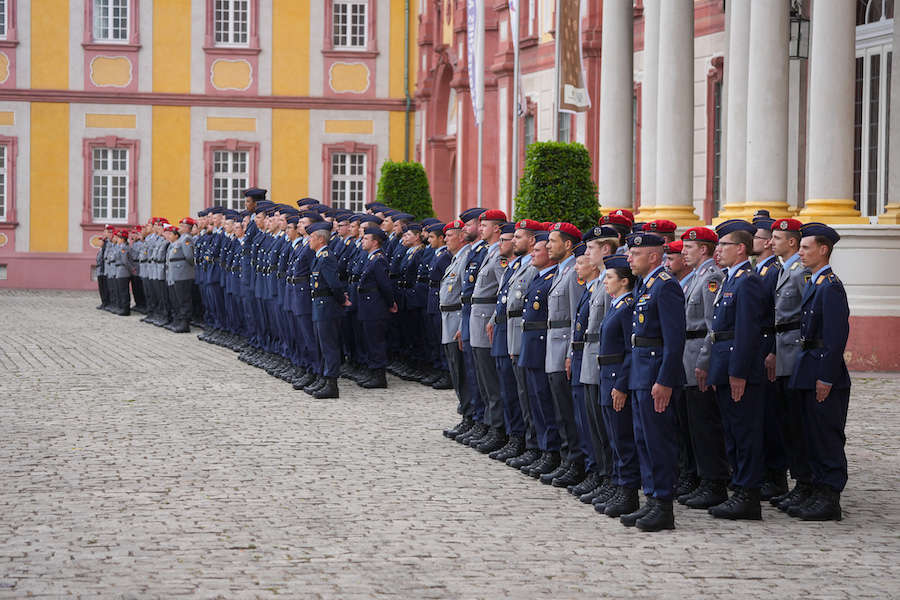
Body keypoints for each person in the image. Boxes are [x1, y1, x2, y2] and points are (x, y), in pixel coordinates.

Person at [621, 231, 686, 532]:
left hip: (655, 376)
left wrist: (665, 379)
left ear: (654, 257)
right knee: (643, 440)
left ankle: (663, 505)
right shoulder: (644, 286)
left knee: (658, 440)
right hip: (640, 373)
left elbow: (674, 341)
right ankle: (651, 499)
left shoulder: (665, 286)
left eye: (636, 254)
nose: (630, 258)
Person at [787, 222, 850, 521]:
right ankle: (814, 489)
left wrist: (826, 376)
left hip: (823, 369)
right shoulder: (815, 282)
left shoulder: (831, 287)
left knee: (826, 435)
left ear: (823, 250)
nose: (800, 252)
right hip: (807, 365)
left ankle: (829, 496)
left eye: (805, 247)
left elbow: (836, 339)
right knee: (809, 433)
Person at [706, 219, 767, 520]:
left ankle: (748, 495)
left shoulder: (748, 281)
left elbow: (747, 331)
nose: (718, 250)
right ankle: (739, 490)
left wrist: (738, 372)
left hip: (738, 369)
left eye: (723, 245)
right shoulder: (730, 279)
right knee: (732, 431)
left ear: (741, 249)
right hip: (724, 365)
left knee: (744, 433)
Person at [767, 218, 815, 513]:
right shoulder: (785, 269)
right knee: (787, 423)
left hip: (794, 352)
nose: (771, 243)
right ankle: (797, 482)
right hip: (781, 351)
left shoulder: (801, 273)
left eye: (776, 238)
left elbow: (806, 316)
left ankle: (805, 483)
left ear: (792, 243)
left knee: (799, 423)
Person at [595, 254, 641, 518]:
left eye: (610, 277)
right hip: (607, 375)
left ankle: (628, 492)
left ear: (624, 281)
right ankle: (617, 484)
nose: (605, 282)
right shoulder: (616, 305)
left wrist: (622, 384)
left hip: (617, 378)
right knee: (612, 436)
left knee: (623, 438)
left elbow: (629, 350)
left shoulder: (627, 308)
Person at [542, 222, 587, 487]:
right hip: (552, 344)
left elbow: (575, 318)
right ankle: (566, 458)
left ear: (568, 245)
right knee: (559, 408)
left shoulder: (573, 273)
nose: (548, 245)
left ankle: (576, 461)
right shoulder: (562, 271)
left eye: (553, 241)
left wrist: (571, 351)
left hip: (563, 347)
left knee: (568, 411)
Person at [517, 232, 563, 478]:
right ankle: (540, 447)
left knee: (545, 402)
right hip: (531, 344)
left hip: (543, 344)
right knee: (534, 400)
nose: (533, 252)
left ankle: (550, 451)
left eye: (538, 249)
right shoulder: (538, 278)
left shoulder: (552, 279)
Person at [499, 220, 541, 468]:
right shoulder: (518, 266)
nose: (514, 241)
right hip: (513, 330)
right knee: (518, 391)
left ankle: (531, 443)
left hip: (525, 333)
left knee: (528, 394)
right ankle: (523, 440)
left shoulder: (532, 268)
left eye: (519, 237)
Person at [467, 209, 509, 453]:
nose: (480, 229)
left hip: (486, 316)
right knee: (481, 376)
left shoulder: (499, 256)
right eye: (480, 225)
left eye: (485, 225)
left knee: (490, 379)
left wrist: (494, 318)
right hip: (478, 314)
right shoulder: (488, 252)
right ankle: (485, 423)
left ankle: (496, 428)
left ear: (497, 228)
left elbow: (504, 288)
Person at [753, 211, 788, 500]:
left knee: (773, 415)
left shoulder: (773, 271)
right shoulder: (760, 270)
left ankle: (775, 475)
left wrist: (774, 349)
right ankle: (766, 472)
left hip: (768, 343)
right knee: (762, 413)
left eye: (759, 237)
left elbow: (778, 314)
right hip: (760, 343)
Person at [440, 220, 477, 439]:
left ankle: (469, 415)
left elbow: (467, 295)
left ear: (461, 236)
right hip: (449, 318)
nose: (445, 239)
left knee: (463, 372)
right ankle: (466, 412)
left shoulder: (466, 258)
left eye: (450, 235)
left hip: (457, 318)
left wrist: (464, 324)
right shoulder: (457, 258)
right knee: (456, 370)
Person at [307, 221, 347, 399]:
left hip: (327, 307)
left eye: (312, 237)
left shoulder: (326, 257)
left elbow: (334, 285)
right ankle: (324, 379)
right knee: (322, 345)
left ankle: (332, 384)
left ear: (321, 240)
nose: (309, 240)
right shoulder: (319, 256)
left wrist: (342, 301)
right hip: (320, 306)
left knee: (329, 346)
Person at [353, 226, 397, 388]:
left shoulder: (379, 259)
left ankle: (379, 377)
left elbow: (385, 286)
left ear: (375, 242)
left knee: (376, 342)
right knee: (369, 340)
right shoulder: (371, 258)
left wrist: (390, 303)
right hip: (368, 305)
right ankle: (373, 372)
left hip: (375, 306)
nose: (362, 240)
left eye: (366, 238)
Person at [164, 219, 196, 333]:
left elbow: (190, 257)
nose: (180, 228)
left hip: (184, 274)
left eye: (182, 226)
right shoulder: (181, 239)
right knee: (178, 299)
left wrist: (188, 270)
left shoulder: (187, 238)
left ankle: (185, 323)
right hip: (177, 274)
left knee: (184, 300)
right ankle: (179, 321)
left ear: (188, 228)